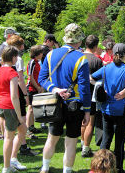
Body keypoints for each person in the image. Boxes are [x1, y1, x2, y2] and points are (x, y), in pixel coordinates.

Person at [38, 23, 91, 173]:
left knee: (52, 137)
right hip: (74, 105)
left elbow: (42, 79)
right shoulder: (81, 58)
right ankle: (67, 171)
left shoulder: (50, 54)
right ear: (79, 40)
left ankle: (45, 168)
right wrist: (87, 111)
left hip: (55, 103)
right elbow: (84, 88)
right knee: (71, 142)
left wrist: (55, 89)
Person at [91, 43, 125, 173]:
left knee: (106, 140)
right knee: (119, 142)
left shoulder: (106, 68)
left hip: (106, 110)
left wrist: (100, 86)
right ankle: (118, 169)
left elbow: (91, 78)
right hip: (120, 111)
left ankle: (98, 167)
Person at [0, 46, 26, 173]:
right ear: (13, 58)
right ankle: (6, 167)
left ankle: (13, 159)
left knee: (23, 129)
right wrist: (19, 116)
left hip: (1, 105)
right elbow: (14, 96)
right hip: (9, 106)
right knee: (8, 137)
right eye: (16, 57)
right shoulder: (11, 72)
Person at [7, 35, 37, 157]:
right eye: (22, 44)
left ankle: (18, 145)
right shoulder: (17, 59)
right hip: (18, 92)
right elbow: (20, 79)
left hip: (7, 93)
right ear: (18, 46)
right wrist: (25, 95)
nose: (23, 47)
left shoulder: (3, 58)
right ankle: (22, 147)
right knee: (21, 121)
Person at [81, 35, 103, 157]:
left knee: (82, 121)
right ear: (95, 46)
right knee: (90, 121)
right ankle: (86, 148)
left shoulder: (78, 58)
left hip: (80, 94)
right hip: (92, 95)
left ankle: (82, 142)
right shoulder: (97, 61)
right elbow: (100, 80)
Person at [26, 45, 44, 135]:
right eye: (41, 53)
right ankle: (28, 129)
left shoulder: (37, 62)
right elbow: (30, 76)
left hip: (36, 87)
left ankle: (32, 126)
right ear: (38, 53)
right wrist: (37, 87)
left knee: (33, 108)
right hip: (31, 88)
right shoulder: (32, 62)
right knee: (30, 109)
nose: (42, 54)